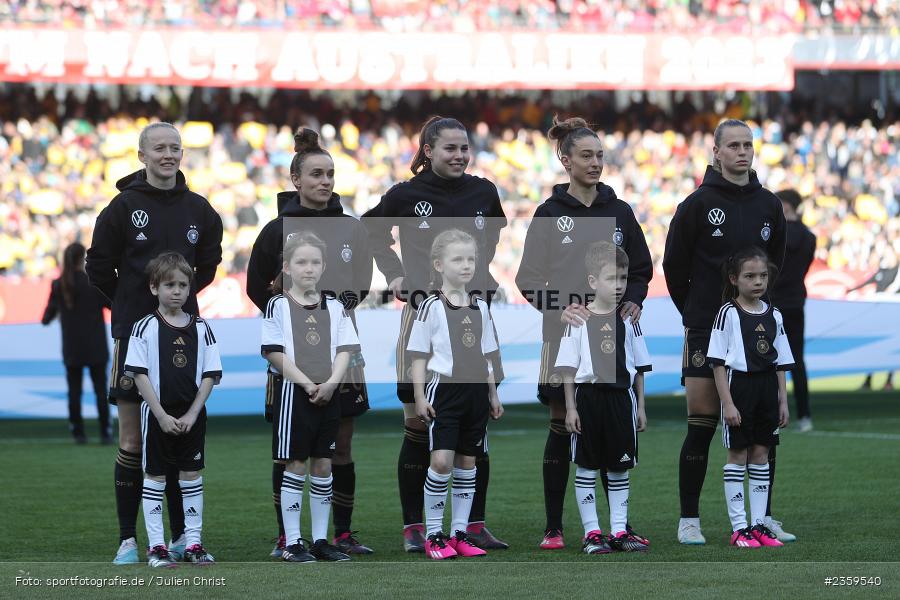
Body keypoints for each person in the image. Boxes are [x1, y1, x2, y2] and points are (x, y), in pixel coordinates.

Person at [362, 117, 508, 552]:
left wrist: (478, 274)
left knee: (474, 427)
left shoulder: (484, 192)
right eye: (450, 149)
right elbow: (369, 231)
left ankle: (471, 525)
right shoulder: (407, 195)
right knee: (416, 425)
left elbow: (495, 235)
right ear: (427, 150)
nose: (460, 155)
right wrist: (395, 274)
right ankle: (415, 528)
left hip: (475, 316)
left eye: (465, 148)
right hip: (424, 316)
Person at [86, 122, 224, 565]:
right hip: (133, 336)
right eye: (159, 148)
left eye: (175, 148)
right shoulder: (123, 207)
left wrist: (174, 315)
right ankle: (129, 540)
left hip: (185, 340)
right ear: (142, 154)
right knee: (132, 441)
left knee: (179, 435)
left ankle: (183, 537)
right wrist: (130, 306)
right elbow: (97, 268)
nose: (169, 154)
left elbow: (207, 267)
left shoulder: (201, 210)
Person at [515, 116, 652, 550]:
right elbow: (528, 278)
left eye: (600, 156)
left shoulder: (620, 211)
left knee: (610, 428)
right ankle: (555, 527)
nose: (595, 164)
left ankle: (617, 528)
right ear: (565, 159)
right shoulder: (549, 213)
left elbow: (643, 270)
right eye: (587, 156)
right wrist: (563, 307)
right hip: (565, 335)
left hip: (611, 336)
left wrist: (633, 299)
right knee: (564, 425)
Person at [663, 118, 791, 545]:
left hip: (755, 330)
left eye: (748, 145)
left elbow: (774, 264)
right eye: (733, 145)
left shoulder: (770, 205)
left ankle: (762, 517)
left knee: (761, 427)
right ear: (715, 152)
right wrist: (699, 314)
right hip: (705, 327)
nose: (742, 152)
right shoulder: (696, 205)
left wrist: (754, 311)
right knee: (701, 422)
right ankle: (689, 519)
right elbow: (674, 267)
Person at [246, 128, 373, 557]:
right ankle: (289, 535)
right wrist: (293, 315)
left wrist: (332, 313)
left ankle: (340, 532)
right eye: (316, 174)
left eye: (331, 174)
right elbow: (255, 288)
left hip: (340, 351)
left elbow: (362, 286)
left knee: (340, 444)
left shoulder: (351, 229)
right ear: (295, 179)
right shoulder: (275, 230)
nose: (325, 181)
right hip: (294, 357)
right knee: (290, 447)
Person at [262, 231, 360, 563]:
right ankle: (292, 541)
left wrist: (331, 383)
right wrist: (307, 384)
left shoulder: (333, 305)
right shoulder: (278, 304)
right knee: (296, 463)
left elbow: (346, 349)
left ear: (324, 267)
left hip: (329, 393)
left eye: (315, 262)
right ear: (287, 267)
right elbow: (274, 353)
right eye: (301, 262)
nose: (309, 268)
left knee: (322, 464)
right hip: (295, 393)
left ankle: (320, 540)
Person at [407, 230, 504, 560]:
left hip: (476, 393)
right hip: (444, 392)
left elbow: (487, 355)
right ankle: (434, 535)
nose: (466, 265)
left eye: (470, 259)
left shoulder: (480, 306)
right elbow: (418, 357)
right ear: (438, 264)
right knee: (441, 460)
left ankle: (460, 533)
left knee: (467, 462)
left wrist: (492, 394)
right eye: (457, 259)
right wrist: (420, 397)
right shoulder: (430, 307)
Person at [124, 252, 222, 566]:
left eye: (182, 284)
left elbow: (210, 374)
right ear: (154, 288)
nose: (177, 291)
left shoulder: (202, 327)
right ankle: (156, 548)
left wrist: (193, 413)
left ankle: (192, 544)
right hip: (157, 416)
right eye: (170, 285)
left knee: (191, 476)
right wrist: (161, 415)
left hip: (193, 415)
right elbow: (139, 374)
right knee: (155, 478)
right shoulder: (144, 327)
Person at [556, 242, 651, 554]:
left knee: (619, 467)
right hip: (588, 400)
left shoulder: (629, 319)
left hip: (622, 401)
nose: (620, 285)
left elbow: (638, 368)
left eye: (623, 278)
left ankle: (620, 531)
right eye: (612, 278)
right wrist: (570, 408)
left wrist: (641, 408)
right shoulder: (577, 319)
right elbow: (568, 368)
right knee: (586, 466)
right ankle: (592, 533)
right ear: (593, 281)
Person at [707, 246, 794, 548]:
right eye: (750, 276)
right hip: (739, 388)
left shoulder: (776, 315)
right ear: (734, 279)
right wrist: (727, 403)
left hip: (766, 390)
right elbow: (717, 363)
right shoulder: (727, 313)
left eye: (763, 276)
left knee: (761, 455)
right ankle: (739, 528)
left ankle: (759, 525)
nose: (758, 281)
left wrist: (782, 399)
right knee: (738, 455)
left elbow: (781, 361)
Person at [41, 242, 112, 445]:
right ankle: (105, 432)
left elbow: (46, 318)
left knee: (74, 390)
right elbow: (112, 305)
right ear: (83, 258)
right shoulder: (93, 283)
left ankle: (78, 433)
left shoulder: (59, 284)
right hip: (96, 346)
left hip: (72, 347)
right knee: (100, 390)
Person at [769, 189, 816, 432]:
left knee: (766, 358)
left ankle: (771, 413)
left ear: (786, 206)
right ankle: (804, 415)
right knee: (797, 360)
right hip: (795, 301)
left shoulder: (776, 234)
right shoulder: (809, 237)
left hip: (773, 302)